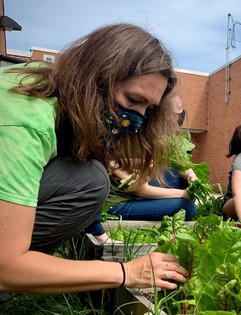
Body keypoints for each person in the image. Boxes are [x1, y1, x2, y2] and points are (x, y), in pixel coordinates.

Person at [0, 23, 188, 295]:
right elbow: (4, 267)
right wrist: (126, 272)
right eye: (133, 100)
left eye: (148, 109)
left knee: (89, 178)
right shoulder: (27, 122)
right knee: (90, 182)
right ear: (95, 78)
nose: (138, 120)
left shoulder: (49, 86)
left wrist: (100, 236)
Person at [84, 93, 198, 244]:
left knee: (176, 177)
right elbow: (141, 189)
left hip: (130, 192)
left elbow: (180, 164)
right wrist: (183, 194)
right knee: (188, 208)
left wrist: (192, 177)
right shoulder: (130, 135)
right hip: (118, 203)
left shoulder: (152, 137)